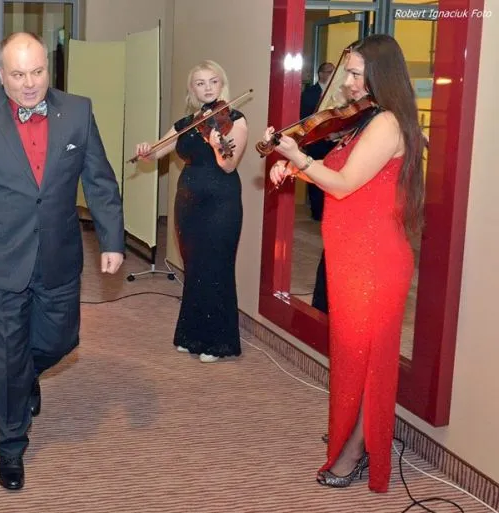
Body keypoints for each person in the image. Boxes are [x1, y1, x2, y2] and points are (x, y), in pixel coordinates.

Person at [0, 32, 125, 491]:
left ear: (48, 69)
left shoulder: (77, 111)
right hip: (1, 256)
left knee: (60, 340)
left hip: (59, 252)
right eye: (18, 74)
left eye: (37, 72)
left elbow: (99, 181)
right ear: (1, 75)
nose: (29, 83)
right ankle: (10, 445)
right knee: (7, 353)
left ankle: (25, 375)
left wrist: (112, 241)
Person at [263, 34, 424, 493]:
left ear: (380, 74)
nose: (347, 83)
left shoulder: (387, 123)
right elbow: (337, 172)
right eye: (347, 72)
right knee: (352, 353)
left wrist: (296, 155)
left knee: (368, 357)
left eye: (355, 73)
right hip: (351, 256)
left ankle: (359, 446)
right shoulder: (363, 120)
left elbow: (345, 183)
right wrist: (294, 168)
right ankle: (354, 429)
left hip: (375, 260)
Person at [135, 60, 248, 363]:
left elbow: (228, 165)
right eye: (200, 83)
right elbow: (157, 152)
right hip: (188, 203)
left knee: (216, 268)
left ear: (222, 84)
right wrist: (146, 150)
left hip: (221, 203)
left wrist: (216, 143)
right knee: (194, 268)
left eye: (213, 81)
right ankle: (191, 335)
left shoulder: (235, 120)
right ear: (192, 90)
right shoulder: (185, 123)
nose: (207, 88)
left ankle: (218, 342)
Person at [300, 62, 336, 313]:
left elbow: (344, 180)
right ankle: (317, 210)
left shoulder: (381, 123)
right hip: (316, 144)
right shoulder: (310, 93)